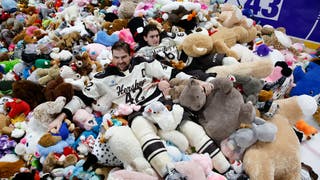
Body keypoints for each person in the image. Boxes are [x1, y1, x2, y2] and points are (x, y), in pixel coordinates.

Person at [49, 41, 231, 179]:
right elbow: (81, 98)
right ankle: (169, 173)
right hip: (136, 112)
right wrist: (59, 118)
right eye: (116, 57)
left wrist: (198, 81)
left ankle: (227, 169)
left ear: (130, 55)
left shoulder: (143, 62)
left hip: (161, 103)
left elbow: (172, 73)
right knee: (144, 132)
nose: (120, 61)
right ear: (112, 57)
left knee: (192, 129)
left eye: (124, 57)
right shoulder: (102, 78)